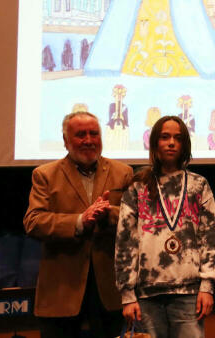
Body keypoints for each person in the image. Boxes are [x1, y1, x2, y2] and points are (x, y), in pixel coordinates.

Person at [23, 111, 133, 338]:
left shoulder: (123, 172)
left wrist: (107, 214)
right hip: (60, 290)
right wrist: (80, 221)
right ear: (65, 140)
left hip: (109, 290)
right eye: (80, 134)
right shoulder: (44, 175)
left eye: (94, 133)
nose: (89, 140)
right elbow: (33, 221)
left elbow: (135, 218)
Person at [115, 116, 215, 338]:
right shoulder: (138, 186)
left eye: (177, 138)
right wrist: (127, 295)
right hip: (146, 294)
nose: (171, 142)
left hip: (189, 292)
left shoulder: (198, 184)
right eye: (165, 137)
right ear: (154, 143)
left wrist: (207, 286)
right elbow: (125, 241)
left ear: (185, 145)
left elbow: (208, 238)